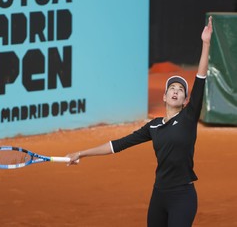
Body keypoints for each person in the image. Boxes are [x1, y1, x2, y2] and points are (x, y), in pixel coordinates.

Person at [66, 16, 213, 227]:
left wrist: (206, 43)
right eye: (172, 88)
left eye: (181, 90)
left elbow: (200, 77)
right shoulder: (153, 127)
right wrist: (82, 153)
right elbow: (117, 145)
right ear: (164, 97)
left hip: (183, 196)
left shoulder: (189, 117)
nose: (176, 91)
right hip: (159, 195)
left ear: (184, 100)